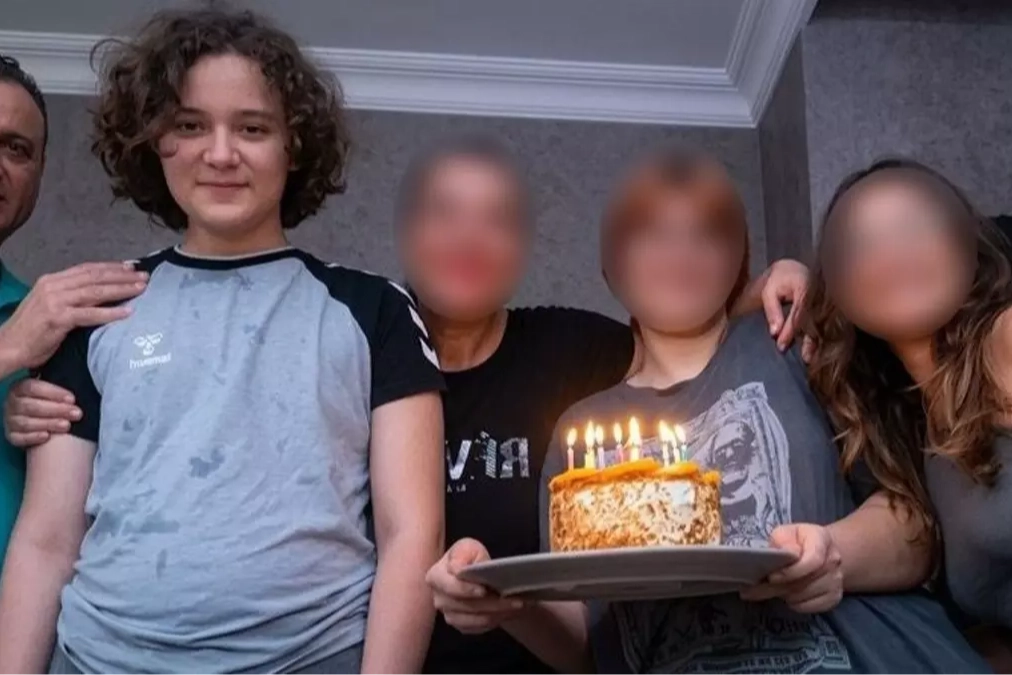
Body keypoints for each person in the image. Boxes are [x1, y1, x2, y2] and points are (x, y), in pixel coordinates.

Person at [9, 134, 808, 673]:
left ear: (523, 248)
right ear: (407, 234)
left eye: (497, 221)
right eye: (444, 214)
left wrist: (763, 292)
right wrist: (28, 391)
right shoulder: (350, 342)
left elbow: (674, 329)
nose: (469, 238)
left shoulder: (572, 347)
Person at [0, 9, 444, 675]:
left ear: (294, 146)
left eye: (253, 128)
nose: (220, 153)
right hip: (99, 658)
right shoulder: (94, 308)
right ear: (155, 141)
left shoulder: (375, 310)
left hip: (309, 658)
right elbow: (45, 541)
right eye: (189, 125)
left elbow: (412, 535)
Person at [435, 149, 990, 673]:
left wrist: (832, 555)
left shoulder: (794, 346)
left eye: (708, 233)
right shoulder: (578, 431)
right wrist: (505, 603)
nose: (681, 253)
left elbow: (917, 524)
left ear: (739, 260)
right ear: (611, 264)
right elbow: (590, 647)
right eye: (652, 234)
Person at [804, 158, 1012, 665]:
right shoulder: (915, 431)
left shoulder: (1006, 342)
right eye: (863, 245)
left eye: (916, 227)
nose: (894, 255)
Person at [0, 55, 147, 574]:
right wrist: (8, 349)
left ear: (38, 174)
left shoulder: (52, 322)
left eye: (16, 149)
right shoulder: (25, 334)